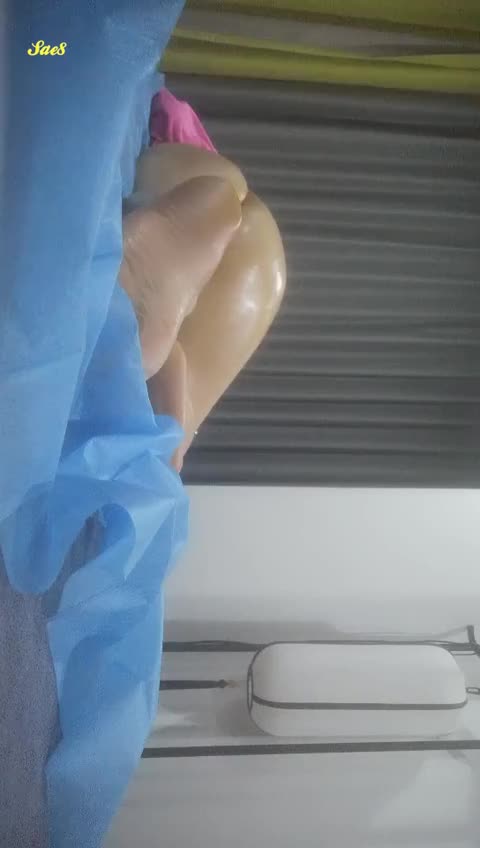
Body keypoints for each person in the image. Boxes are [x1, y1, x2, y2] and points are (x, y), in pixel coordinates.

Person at [120, 141, 286, 470]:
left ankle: (165, 422)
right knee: (226, 193)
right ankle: (167, 424)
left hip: (252, 259)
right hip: (240, 265)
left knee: (224, 187)